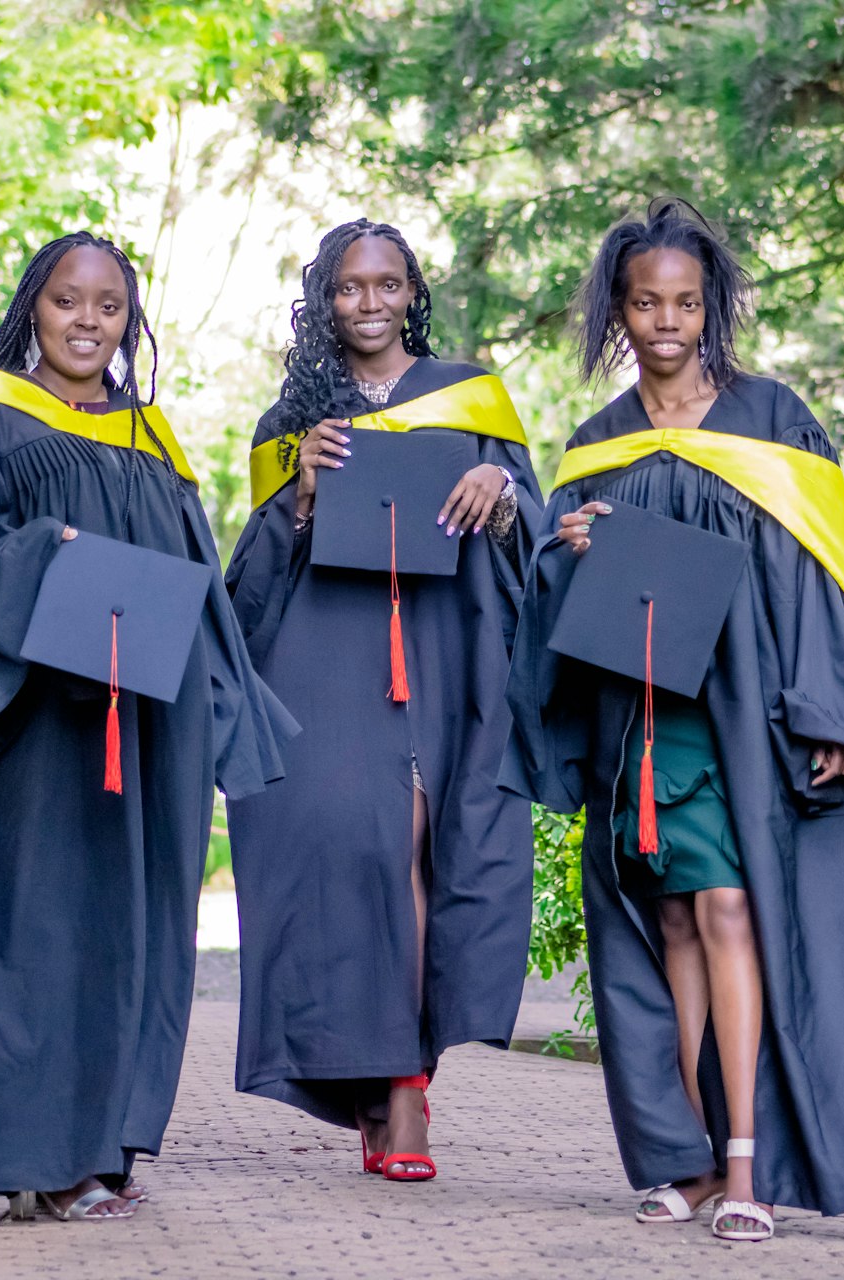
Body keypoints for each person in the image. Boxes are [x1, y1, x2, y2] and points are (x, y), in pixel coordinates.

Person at [506, 198, 844, 1242]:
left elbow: (825, 575)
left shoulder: (772, 418)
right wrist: (565, 548)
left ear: (711, 307)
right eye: (646, 302)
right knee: (672, 923)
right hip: (640, 717)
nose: (667, 321)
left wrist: (831, 712)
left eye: (686, 303)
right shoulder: (598, 442)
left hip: (745, 713)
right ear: (619, 310)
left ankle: (746, 1158)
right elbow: (553, 594)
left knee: (734, 910)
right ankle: (691, 1157)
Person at [0, 231, 296, 1221]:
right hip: (38, 728)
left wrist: (227, 700)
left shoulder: (149, 436)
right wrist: (51, 550)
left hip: (149, 721)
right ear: (31, 308)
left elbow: (195, 578)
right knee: (47, 927)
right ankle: (46, 1159)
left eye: (109, 306)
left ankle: (109, 1144)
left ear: (131, 320)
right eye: (67, 301)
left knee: (139, 931)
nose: (88, 321)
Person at [223, 219, 542, 1181]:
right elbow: (253, 580)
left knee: (427, 850)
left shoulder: (470, 398)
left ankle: (406, 1087)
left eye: (388, 284)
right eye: (350, 286)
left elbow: (532, 531)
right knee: (355, 852)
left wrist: (498, 481)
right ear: (325, 300)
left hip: (445, 650)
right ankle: (380, 1077)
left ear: (412, 293)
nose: (370, 303)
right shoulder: (291, 425)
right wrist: (301, 492)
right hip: (331, 656)